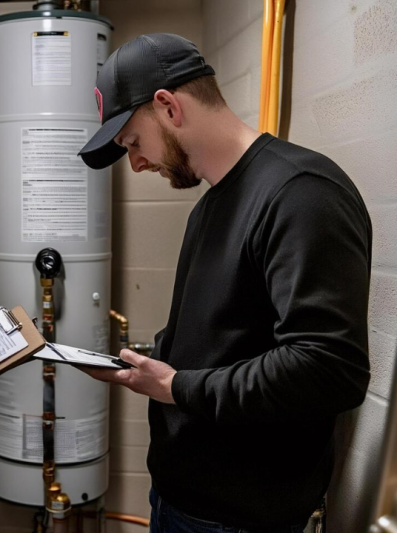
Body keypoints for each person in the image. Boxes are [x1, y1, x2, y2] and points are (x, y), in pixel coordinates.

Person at [78, 33, 371, 533]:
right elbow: (225, 339)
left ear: (168, 107)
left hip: (239, 518)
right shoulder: (212, 204)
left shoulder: (300, 195)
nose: (138, 162)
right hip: (181, 499)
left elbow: (329, 367)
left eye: (132, 142)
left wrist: (176, 386)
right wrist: (153, 366)